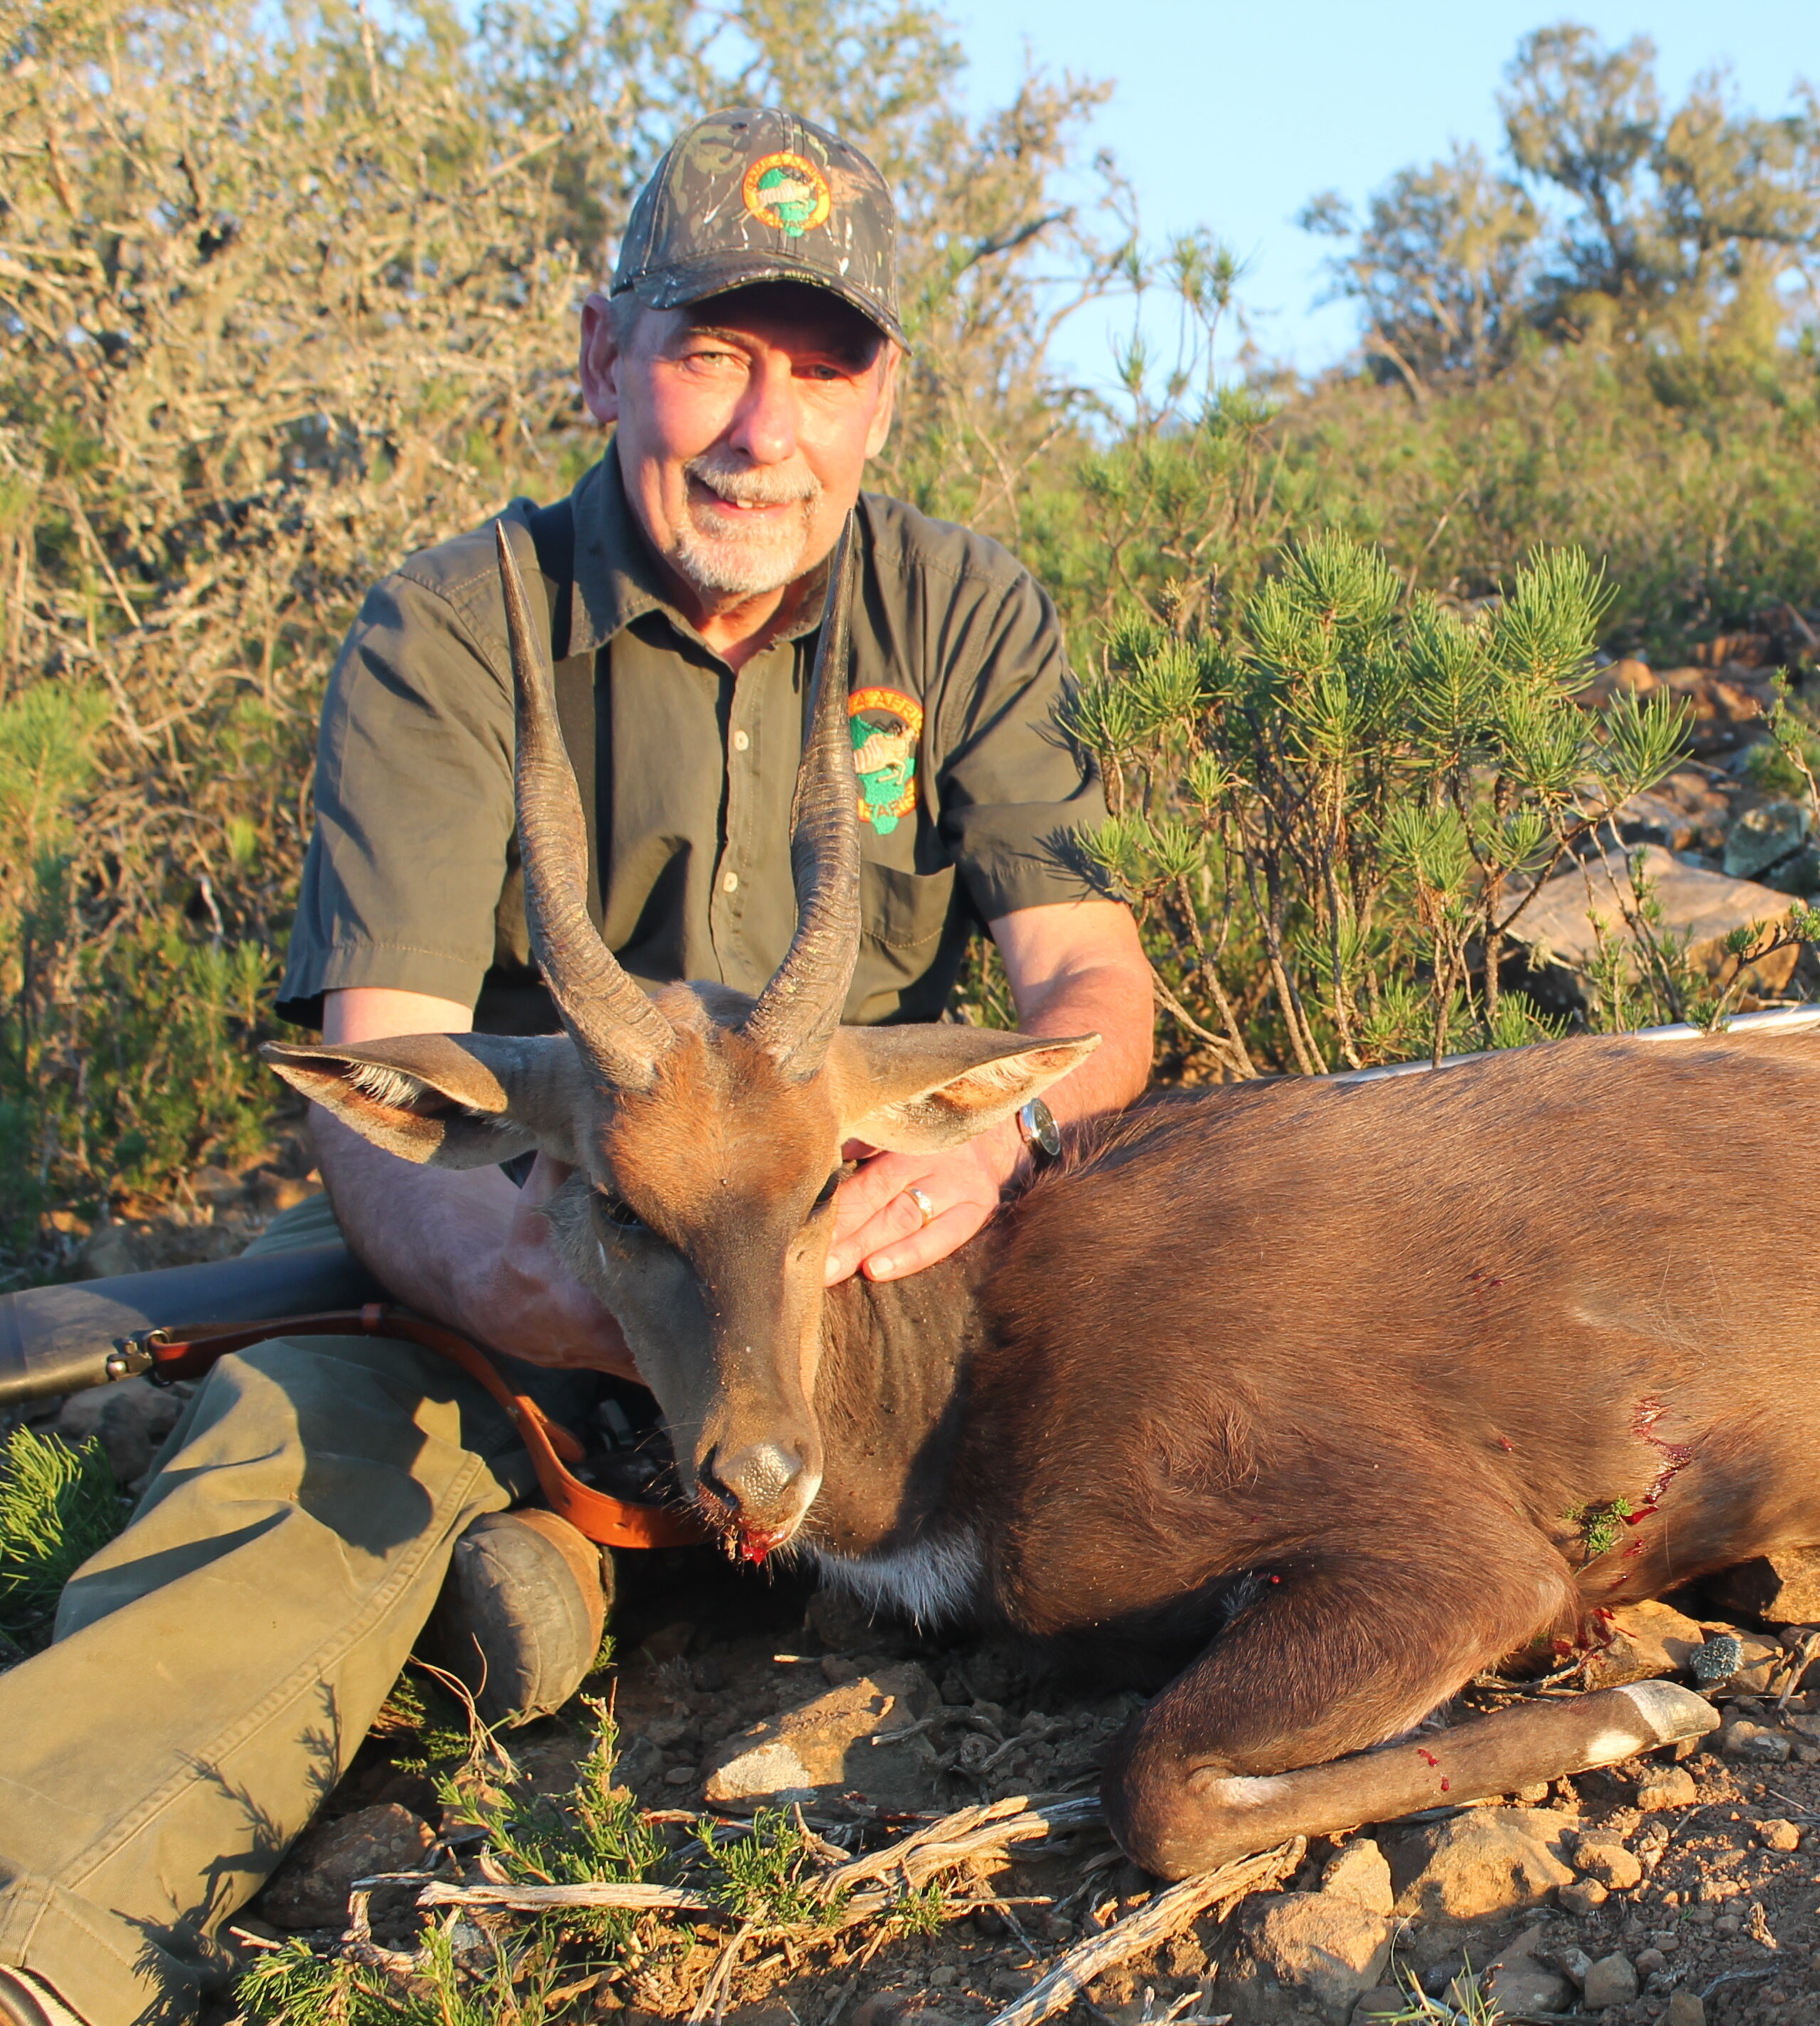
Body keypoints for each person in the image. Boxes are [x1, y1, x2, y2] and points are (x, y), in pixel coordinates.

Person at [0, 107, 1154, 2026]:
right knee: (312, 1464)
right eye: (709, 353)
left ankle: (583, 1577)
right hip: (545, 1296)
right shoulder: (457, 630)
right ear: (604, 355)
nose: (759, 431)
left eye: (820, 367)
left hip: (874, 1305)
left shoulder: (958, 610)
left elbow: (1091, 989)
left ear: (888, 398)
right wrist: (551, 1286)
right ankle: (42, 1921)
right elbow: (384, 1083)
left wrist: (999, 1139)